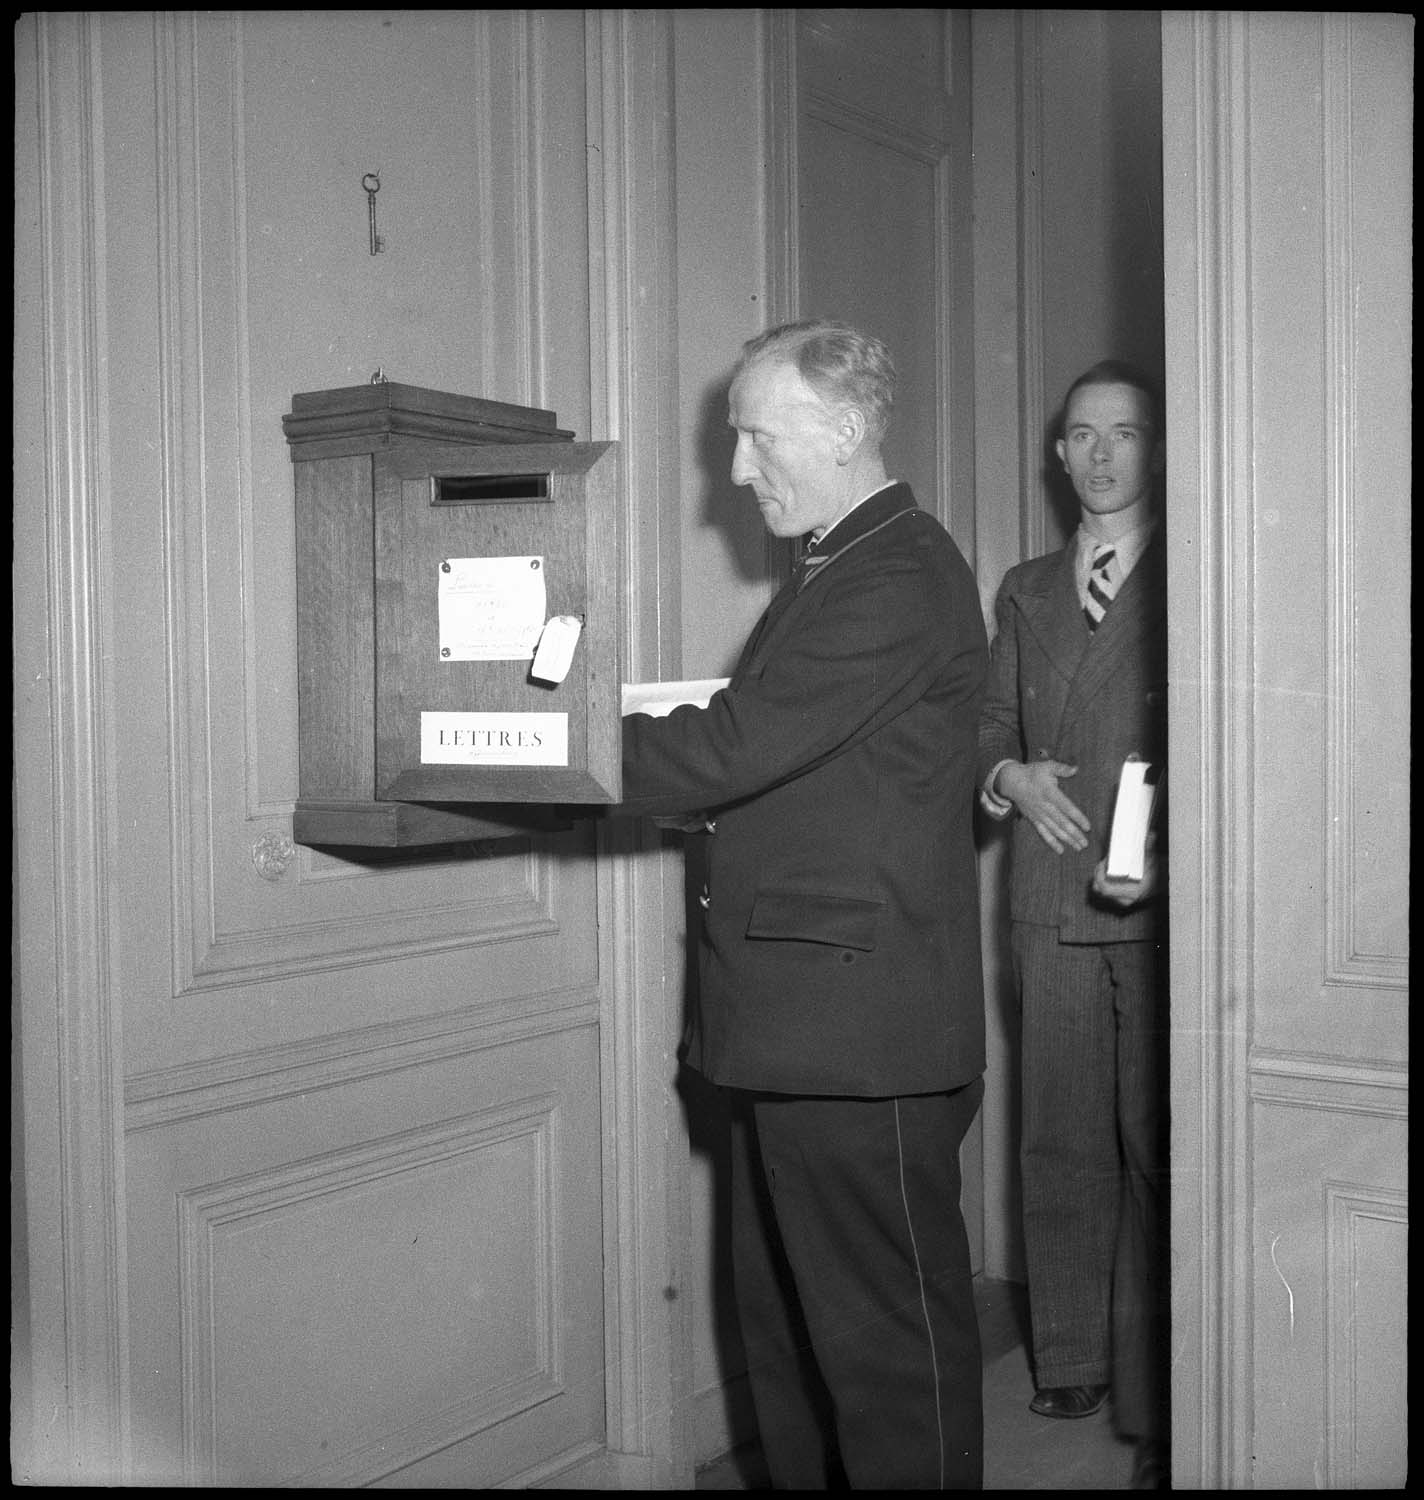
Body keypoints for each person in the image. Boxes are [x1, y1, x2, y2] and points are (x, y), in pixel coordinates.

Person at [621, 320, 990, 1489]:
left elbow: (735, 747)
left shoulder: (898, 570)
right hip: (795, 1027)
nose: (733, 469)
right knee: (787, 1351)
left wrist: (552, 751)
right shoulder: (842, 565)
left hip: (854, 1043)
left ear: (839, 430)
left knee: (885, 1369)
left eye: (751, 436)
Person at [977, 359, 1170, 1489]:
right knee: (1056, 1134)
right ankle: (1068, 1354)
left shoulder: (1196, 570)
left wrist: (1180, 863)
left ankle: (1159, 1395)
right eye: (1079, 436)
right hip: (1048, 893)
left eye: (1124, 434)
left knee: (1154, 1148)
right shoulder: (1022, 588)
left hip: (1153, 905)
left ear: (1155, 450)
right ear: (1057, 455)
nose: (1100, 455)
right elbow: (984, 725)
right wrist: (1007, 772)